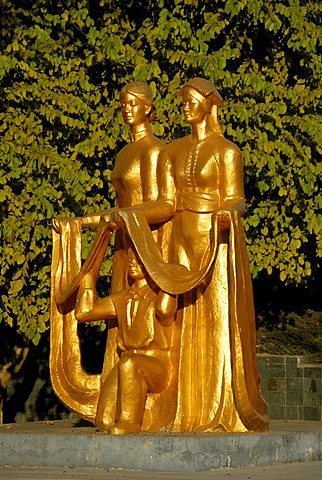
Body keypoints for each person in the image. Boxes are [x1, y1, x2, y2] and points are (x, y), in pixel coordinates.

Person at [121, 77, 268, 432]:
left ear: (208, 104)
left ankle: (217, 404)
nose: (185, 105)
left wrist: (227, 212)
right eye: (182, 100)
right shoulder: (172, 151)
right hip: (180, 240)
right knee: (170, 314)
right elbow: (165, 204)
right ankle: (177, 404)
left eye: (190, 99)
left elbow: (237, 198)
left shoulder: (226, 151)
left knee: (216, 318)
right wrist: (127, 215)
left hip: (213, 237)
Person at [50, 82, 169, 425]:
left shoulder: (154, 151)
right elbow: (118, 207)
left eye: (134, 102)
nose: (127, 108)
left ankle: (143, 400)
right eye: (123, 103)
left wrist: (126, 218)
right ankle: (120, 398)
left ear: (148, 107)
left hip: (146, 242)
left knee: (147, 313)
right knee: (119, 318)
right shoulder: (122, 154)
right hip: (122, 244)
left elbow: (165, 204)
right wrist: (79, 223)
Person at [75, 247, 177, 434]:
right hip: (128, 362)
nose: (131, 263)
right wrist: (89, 278)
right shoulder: (122, 297)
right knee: (104, 420)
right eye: (130, 259)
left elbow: (165, 310)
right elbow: (85, 312)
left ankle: (131, 421)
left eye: (138, 259)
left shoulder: (160, 294)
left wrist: (169, 280)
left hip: (157, 364)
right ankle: (137, 412)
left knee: (129, 363)